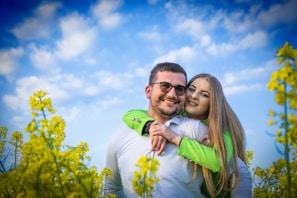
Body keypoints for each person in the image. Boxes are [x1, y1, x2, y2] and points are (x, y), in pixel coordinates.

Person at [123, 73, 252, 197]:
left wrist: (174, 137)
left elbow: (217, 162)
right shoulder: (179, 114)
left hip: (233, 183)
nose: (194, 96)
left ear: (213, 102)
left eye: (204, 95)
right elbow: (130, 115)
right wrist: (152, 127)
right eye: (191, 89)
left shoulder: (221, 127)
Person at [105, 62, 217, 197]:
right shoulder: (120, 138)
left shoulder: (197, 130)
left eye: (180, 89)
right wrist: (151, 126)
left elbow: (233, 171)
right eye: (165, 86)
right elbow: (111, 189)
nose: (172, 94)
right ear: (148, 91)